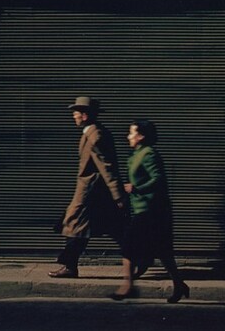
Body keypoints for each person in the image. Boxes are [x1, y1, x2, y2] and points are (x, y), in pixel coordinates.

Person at [110, 119, 189, 302]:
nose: (128, 136)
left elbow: (158, 179)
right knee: (163, 250)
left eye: (131, 132)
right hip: (143, 208)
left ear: (141, 136)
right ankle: (179, 284)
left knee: (128, 245)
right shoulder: (136, 154)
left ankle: (128, 286)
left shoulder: (149, 154)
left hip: (152, 210)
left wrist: (136, 188)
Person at [49, 96, 126, 278]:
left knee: (76, 226)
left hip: (91, 192)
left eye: (76, 113)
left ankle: (69, 266)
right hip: (92, 190)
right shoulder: (91, 133)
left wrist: (118, 195)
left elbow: (107, 167)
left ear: (84, 115)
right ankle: (138, 255)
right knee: (110, 228)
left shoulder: (95, 136)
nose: (73, 116)